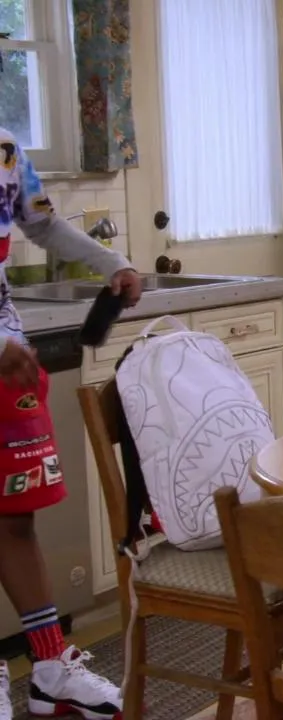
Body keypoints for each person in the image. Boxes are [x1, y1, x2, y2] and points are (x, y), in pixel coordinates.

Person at [0, 130, 142, 720]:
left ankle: (50, 670)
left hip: (9, 362)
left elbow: (43, 224)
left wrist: (112, 262)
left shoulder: (5, 148)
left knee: (15, 518)